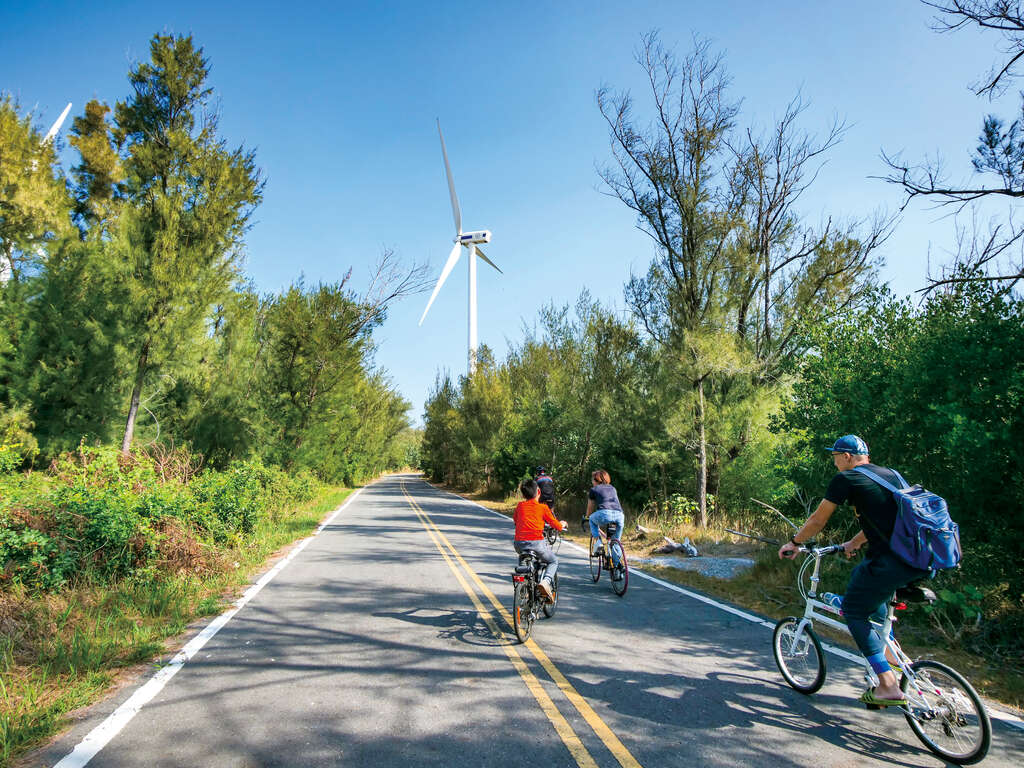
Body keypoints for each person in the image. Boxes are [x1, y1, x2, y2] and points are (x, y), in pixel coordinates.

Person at [777, 435, 930, 708]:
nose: (834, 462)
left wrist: (795, 543)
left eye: (835, 456)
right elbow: (889, 521)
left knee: (854, 611)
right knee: (878, 616)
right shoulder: (890, 475)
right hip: (920, 559)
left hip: (888, 563)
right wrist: (853, 543)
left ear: (846, 456)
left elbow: (818, 519)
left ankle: (887, 685)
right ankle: (895, 669)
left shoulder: (846, 479)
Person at [514, 478, 568, 602]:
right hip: (536, 543)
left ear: (523, 494)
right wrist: (563, 524)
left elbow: (516, 521)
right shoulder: (543, 508)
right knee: (553, 561)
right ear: (539, 491)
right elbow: (557, 526)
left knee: (523, 556)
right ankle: (546, 581)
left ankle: (523, 586)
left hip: (519, 544)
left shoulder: (520, 506)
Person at [586, 469, 624, 563]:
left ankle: (598, 543)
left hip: (604, 514)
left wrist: (587, 516)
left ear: (596, 480)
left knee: (591, 519)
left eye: (592, 480)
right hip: (619, 515)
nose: (592, 482)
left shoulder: (593, 490)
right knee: (615, 541)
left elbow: (590, 509)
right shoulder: (612, 488)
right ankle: (617, 566)